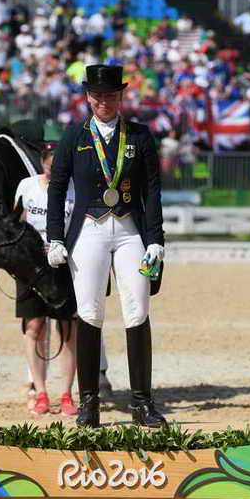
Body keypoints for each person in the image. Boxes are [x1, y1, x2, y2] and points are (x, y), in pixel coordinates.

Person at [47, 64, 166, 428]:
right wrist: (54, 236)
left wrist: (156, 239)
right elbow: (57, 187)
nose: (104, 102)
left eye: (111, 95)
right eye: (97, 96)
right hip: (89, 230)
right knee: (89, 312)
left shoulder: (140, 135)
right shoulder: (74, 136)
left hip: (130, 230)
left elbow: (152, 189)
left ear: (120, 96)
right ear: (88, 97)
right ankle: (89, 403)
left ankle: (142, 403)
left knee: (137, 310)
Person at [14, 144, 78, 416]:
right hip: (31, 264)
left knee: (67, 328)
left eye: (58, 166)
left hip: (63, 262)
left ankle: (66, 394)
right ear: (42, 164)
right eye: (50, 166)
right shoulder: (26, 186)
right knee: (34, 326)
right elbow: (16, 221)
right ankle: (40, 391)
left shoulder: (75, 188)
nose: (53, 170)